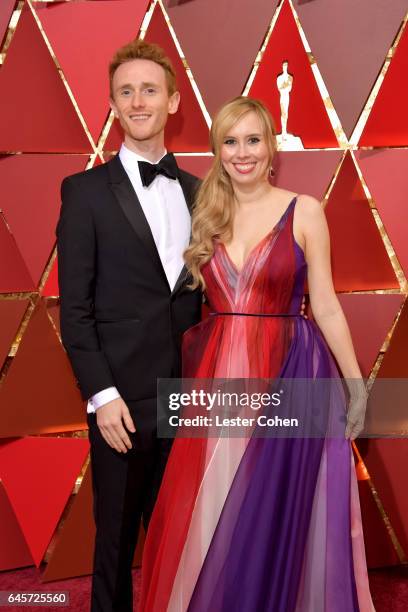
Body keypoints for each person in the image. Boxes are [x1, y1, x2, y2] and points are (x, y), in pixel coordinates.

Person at [140, 97, 375, 611]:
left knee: (275, 506)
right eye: (230, 142)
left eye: (253, 140)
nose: (242, 153)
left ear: (271, 146)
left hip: (291, 370)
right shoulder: (205, 212)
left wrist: (355, 385)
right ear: (217, 151)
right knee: (216, 501)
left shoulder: (304, 209)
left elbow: (328, 306)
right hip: (220, 374)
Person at [57, 39, 202, 612]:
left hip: (188, 398)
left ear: (173, 101)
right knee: (115, 542)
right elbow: (75, 311)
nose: (137, 100)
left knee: (181, 539)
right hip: (120, 402)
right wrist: (102, 395)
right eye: (125, 92)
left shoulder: (199, 192)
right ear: (113, 105)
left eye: (149, 89)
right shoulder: (84, 192)